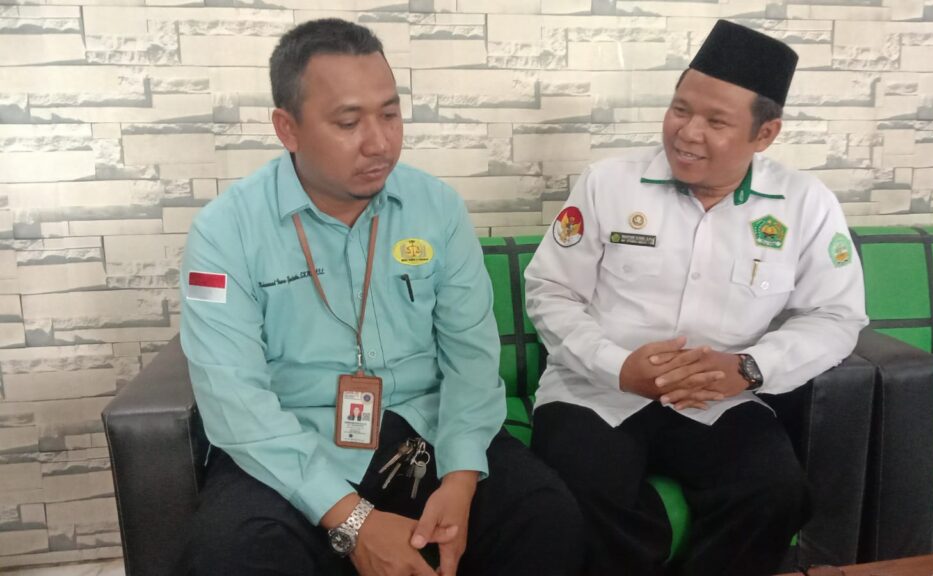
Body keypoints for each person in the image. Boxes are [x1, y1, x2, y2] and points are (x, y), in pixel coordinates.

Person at [177, 18, 582, 576]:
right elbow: (234, 400)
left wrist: (461, 479)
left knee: (545, 518)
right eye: (348, 122)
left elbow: (471, 358)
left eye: (390, 115)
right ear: (287, 129)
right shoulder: (225, 231)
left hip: (424, 433)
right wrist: (354, 521)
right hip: (291, 445)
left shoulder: (436, 208)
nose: (379, 143)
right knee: (231, 556)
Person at [525, 19, 868, 576]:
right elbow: (551, 290)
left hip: (717, 398)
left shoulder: (805, 205)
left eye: (715, 121)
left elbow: (836, 315)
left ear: (765, 134)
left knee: (776, 493)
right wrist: (617, 365)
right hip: (595, 390)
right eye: (679, 109)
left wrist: (751, 368)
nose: (686, 133)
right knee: (580, 493)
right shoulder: (607, 183)